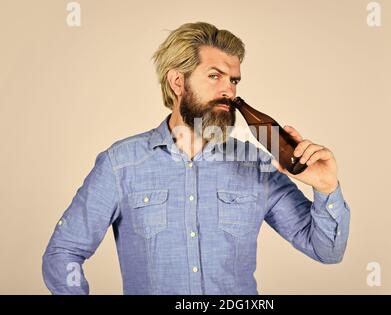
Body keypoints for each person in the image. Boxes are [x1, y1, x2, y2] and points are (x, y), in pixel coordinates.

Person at [42, 22, 350, 295]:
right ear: (178, 82)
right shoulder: (120, 164)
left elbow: (326, 251)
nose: (228, 90)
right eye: (215, 76)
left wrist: (326, 188)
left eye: (234, 80)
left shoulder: (255, 165)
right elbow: (63, 253)